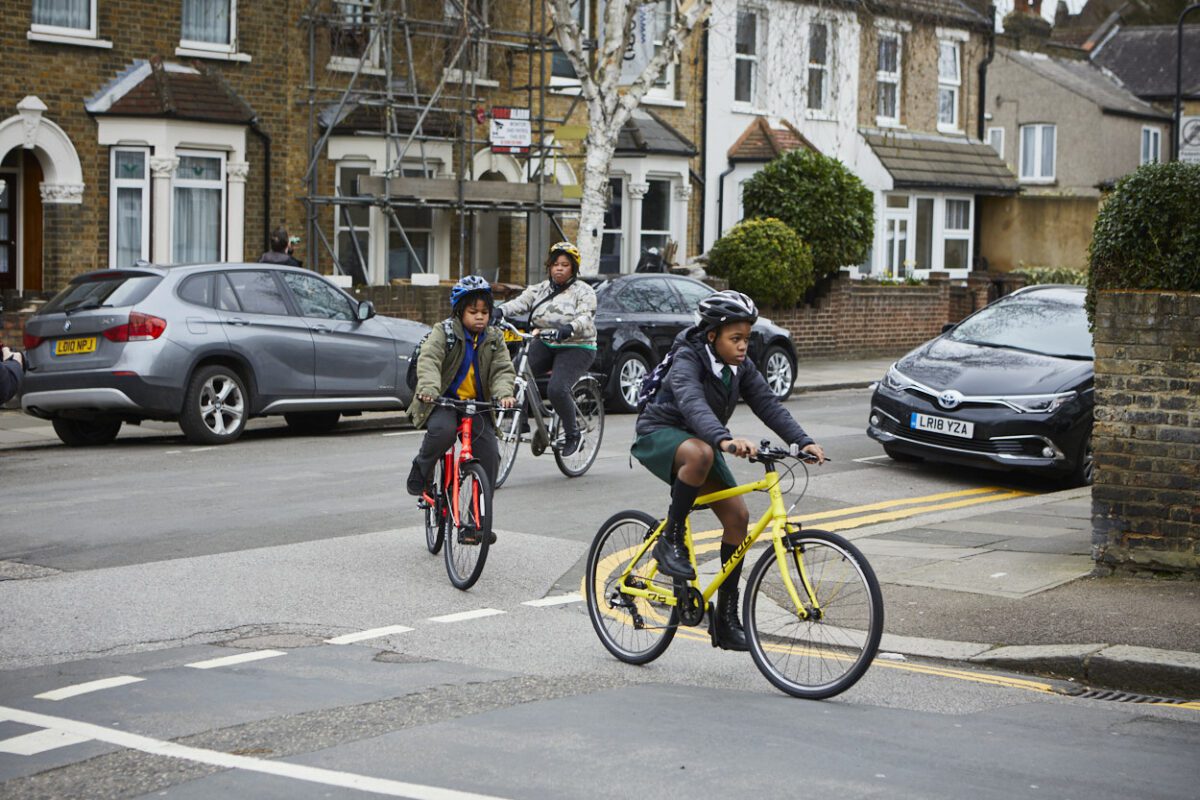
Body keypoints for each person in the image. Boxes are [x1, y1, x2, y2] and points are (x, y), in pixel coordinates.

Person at [631, 290, 826, 651]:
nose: (742, 346)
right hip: (661, 433)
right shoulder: (687, 358)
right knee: (701, 454)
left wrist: (802, 441)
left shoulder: (741, 367)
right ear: (711, 336)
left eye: (747, 338)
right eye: (735, 338)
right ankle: (670, 540)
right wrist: (725, 440)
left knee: (738, 517)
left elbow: (768, 404)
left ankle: (726, 619)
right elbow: (691, 402)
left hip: (705, 441)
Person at [407, 276, 516, 537]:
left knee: (490, 456)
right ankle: (422, 467)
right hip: (444, 401)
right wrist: (430, 389)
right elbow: (430, 360)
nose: (480, 317)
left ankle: (472, 523)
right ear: (459, 312)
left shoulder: (494, 338)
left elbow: (503, 369)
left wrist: (504, 393)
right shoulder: (443, 331)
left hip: (475, 405)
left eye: (485, 312)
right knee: (442, 433)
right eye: (473, 312)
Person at [495, 241, 597, 457]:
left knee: (557, 388)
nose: (559, 268)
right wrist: (499, 311)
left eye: (565, 265)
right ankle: (519, 420)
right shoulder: (539, 289)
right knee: (512, 373)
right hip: (545, 341)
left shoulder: (584, 291)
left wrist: (569, 328)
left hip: (577, 346)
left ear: (573, 269)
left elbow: (586, 317)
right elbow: (519, 303)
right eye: (555, 264)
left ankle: (572, 434)